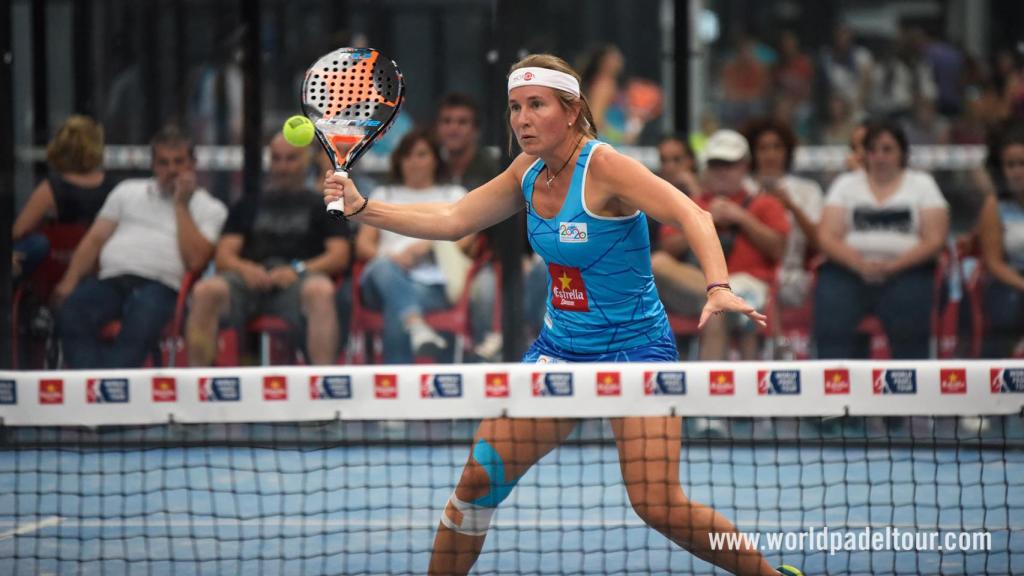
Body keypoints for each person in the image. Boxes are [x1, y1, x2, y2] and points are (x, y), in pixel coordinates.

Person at [324, 53, 783, 576]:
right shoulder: (526, 170)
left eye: (536, 105)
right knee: (477, 484)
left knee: (658, 504)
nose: (521, 118)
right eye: (515, 106)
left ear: (571, 111)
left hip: (635, 352)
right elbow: (454, 219)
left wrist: (718, 285)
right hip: (559, 352)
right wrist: (365, 209)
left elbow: (691, 213)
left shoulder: (605, 167)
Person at [55, 125, 228, 368]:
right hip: (113, 280)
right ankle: (91, 388)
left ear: (193, 164)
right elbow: (94, 239)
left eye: (179, 162)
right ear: (154, 165)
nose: (171, 170)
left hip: (163, 287)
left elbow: (196, 261)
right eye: (163, 163)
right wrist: (70, 279)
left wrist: (181, 205)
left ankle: (115, 391)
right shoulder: (127, 191)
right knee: (74, 309)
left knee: (142, 316)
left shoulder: (211, 208)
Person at [185, 133, 350, 366]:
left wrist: (297, 269)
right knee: (205, 291)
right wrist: (245, 269)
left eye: (290, 159)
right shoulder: (248, 203)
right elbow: (224, 256)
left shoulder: (324, 203)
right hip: (249, 281)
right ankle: (197, 385)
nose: (282, 167)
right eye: (277, 159)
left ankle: (322, 384)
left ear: (306, 161)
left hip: (299, 281)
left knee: (321, 291)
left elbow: (339, 255)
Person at [815, 121, 950, 359]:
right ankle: (833, 382)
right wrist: (859, 265)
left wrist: (893, 267)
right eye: (873, 150)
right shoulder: (845, 184)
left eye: (887, 149)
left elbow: (934, 239)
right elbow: (827, 235)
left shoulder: (922, 185)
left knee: (909, 312)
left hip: (908, 270)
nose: (879, 156)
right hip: (850, 270)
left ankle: (910, 383)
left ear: (902, 153)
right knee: (832, 304)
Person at [656, 130, 789, 361]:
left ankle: (712, 392)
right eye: (716, 164)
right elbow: (668, 247)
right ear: (706, 167)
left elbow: (778, 250)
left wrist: (742, 218)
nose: (722, 171)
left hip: (752, 286)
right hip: (699, 287)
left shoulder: (765, 204)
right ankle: (726, 295)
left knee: (716, 309)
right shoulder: (692, 205)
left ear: (744, 166)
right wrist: (705, 220)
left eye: (729, 164)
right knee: (658, 262)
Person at [355, 129, 472, 364]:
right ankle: (416, 326)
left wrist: (426, 246)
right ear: (398, 160)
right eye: (407, 155)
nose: (413, 162)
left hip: (433, 284)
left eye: (421, 154)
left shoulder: (454, 194)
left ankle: (397, 380)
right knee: (385, 269)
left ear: (436, 159)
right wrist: (393, 260)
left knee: (397, 302)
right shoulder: (383, 193)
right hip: (380, 279)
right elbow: (362, 246)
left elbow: (466, 239)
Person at [435, 93, 504, 360]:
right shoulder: (432, 163)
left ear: (475, 131)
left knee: (485, 291)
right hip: (440, 260)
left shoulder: (492, 167)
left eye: (462, 122)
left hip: (490, 259)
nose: (453, 128)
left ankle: (488, 362)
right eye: (447, 121)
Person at [12, 115, 115, 282]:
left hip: (57, 266)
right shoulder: (114, 188)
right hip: (99, 268)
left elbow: (19, 231)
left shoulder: (51, 188)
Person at [744, 119, 823, 312]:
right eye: (763, 148)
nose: (770, 154)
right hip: (748, 272)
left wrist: (792, 207)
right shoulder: (742, 187)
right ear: (753, 153)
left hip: (793, 275)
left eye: (777, 147)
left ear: (787, 151)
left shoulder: (808, 190)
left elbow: (819, 242)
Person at [977, 122, 1024, 357]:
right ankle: (991, 380)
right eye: (1011, 165)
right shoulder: (995, 205)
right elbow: (993, 262)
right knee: (1008, 308)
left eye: (1022, 164)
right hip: (1010, 279)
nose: (1017, 171)